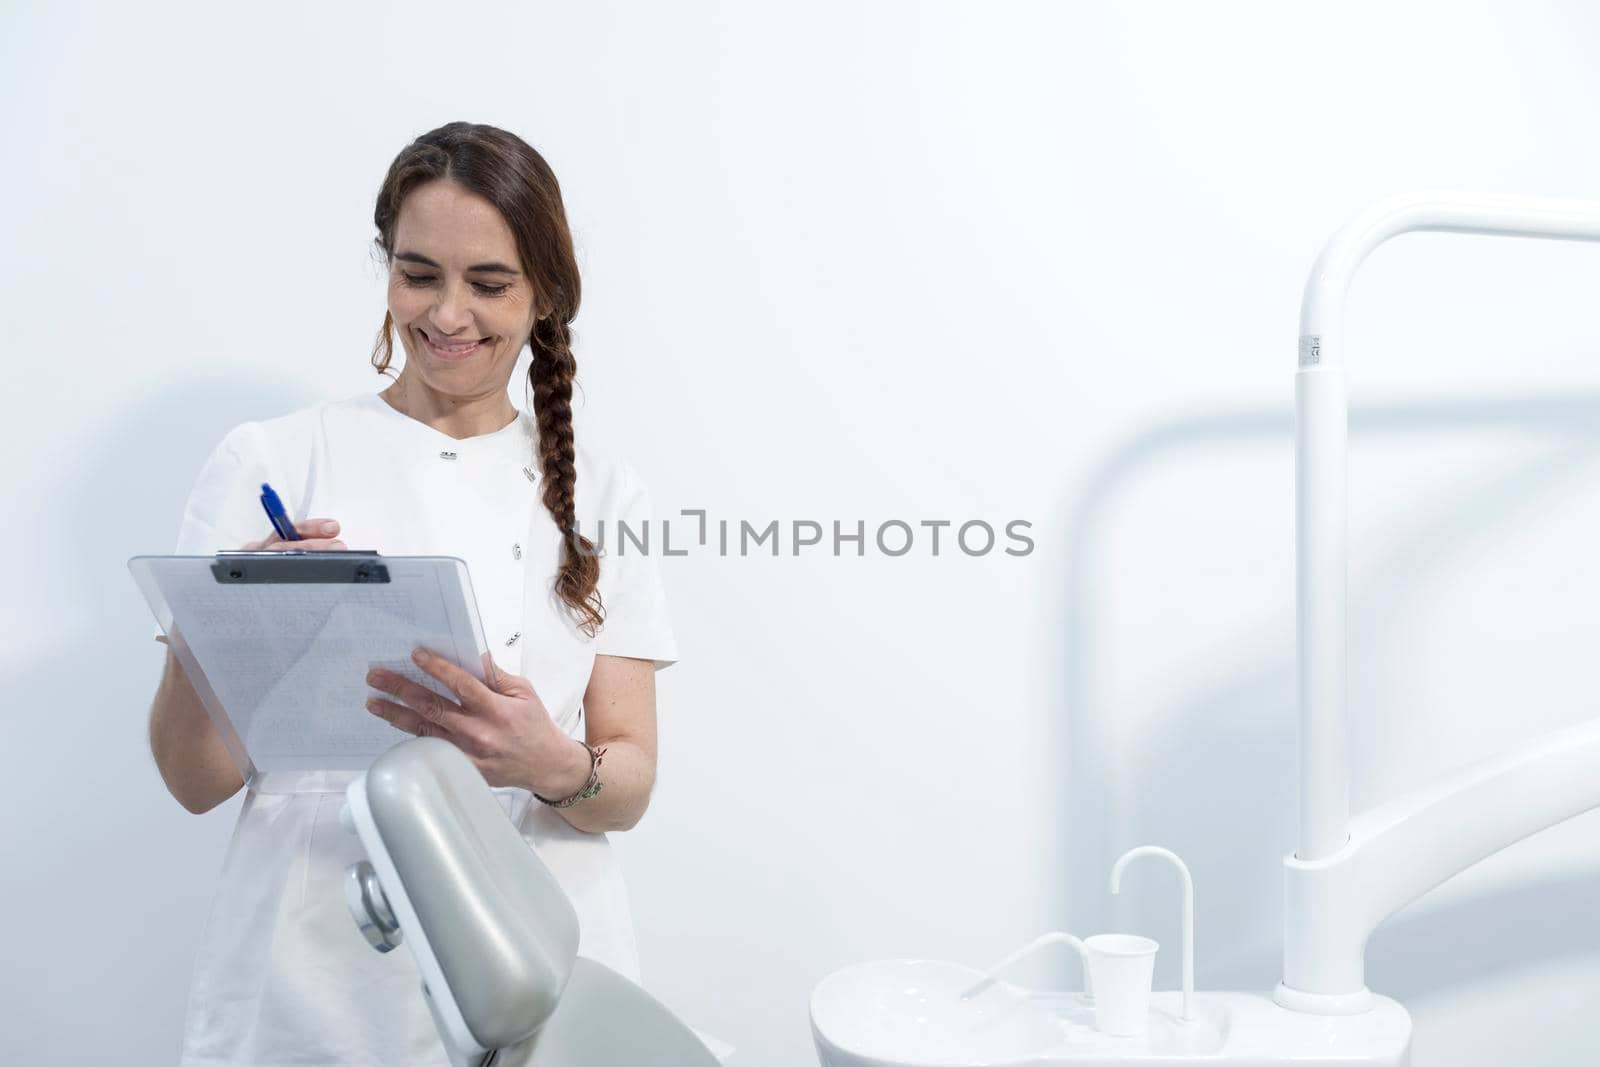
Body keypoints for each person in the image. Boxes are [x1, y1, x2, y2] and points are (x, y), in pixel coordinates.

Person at [146, 121, 680, 1065]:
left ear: (546, 293)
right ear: (386, 269)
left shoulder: (603, 493)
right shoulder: (273, 459)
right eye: (418, 272)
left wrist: (548, 762)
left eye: (489, 282)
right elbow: (194, 782)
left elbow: (627, 779)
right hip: (316, 966)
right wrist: (228, 620)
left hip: (541, 950)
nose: (447, 314)